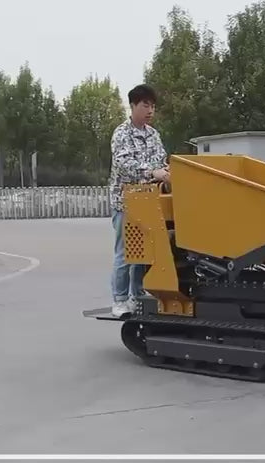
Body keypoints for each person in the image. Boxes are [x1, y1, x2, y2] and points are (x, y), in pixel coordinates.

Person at [108, 84, 170, 316]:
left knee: (143, 254)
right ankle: (120, 300)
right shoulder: (121, 134)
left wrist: (167, 171)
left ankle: (138, 296)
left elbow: (161, 160)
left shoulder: (153, 135)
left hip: (149, 202)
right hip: (125, 203)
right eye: (145, 105)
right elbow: (124, 164)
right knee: (125, 253)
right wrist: (152, 172)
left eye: (153, 106)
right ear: (133, 106)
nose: (150, 111)